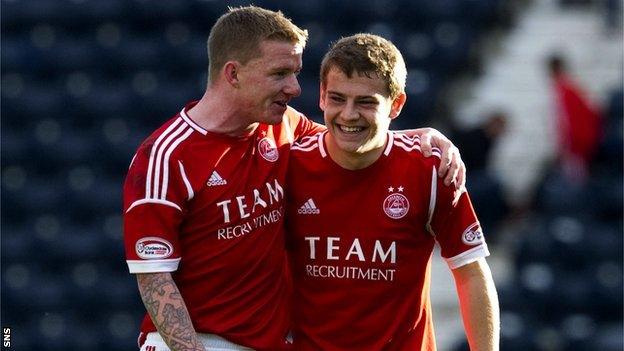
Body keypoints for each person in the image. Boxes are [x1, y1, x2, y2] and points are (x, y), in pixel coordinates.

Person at [123, 7, 465, 351]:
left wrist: (423, 136)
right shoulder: (165, 156)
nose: (295, 88)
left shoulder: (283, 124)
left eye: (296, 73)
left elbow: (350, 138)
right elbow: (153, 277)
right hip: (195, 341)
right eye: (280, 73)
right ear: (233, 74)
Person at [286, 34, 500, 350]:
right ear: (321, 96)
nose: (348, 114)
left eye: (366, 102)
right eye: (337, 98)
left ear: (396, 104)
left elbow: (471, 272)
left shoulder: (430, 170)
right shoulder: (288, 165)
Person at [547, 54, 602, 183]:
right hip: (577, 142)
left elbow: (568, 120)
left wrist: (567, 146)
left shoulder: (565, 90)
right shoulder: (570, 88)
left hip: (575, 144)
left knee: (576, 182)